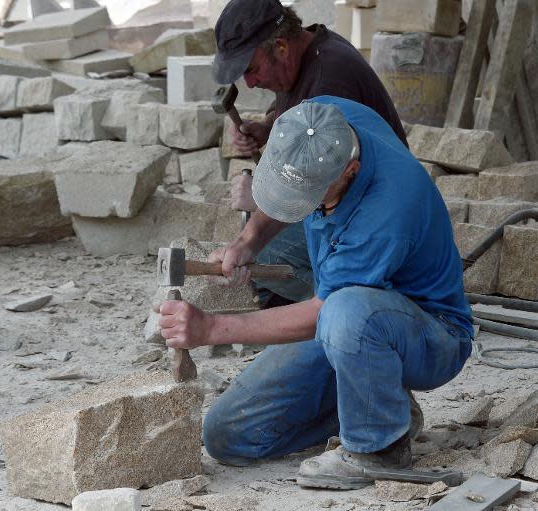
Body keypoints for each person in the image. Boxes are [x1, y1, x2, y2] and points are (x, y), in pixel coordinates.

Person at [158, 97, 473, 489]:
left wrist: (210, 329)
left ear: (350, 170)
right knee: (227, 435)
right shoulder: (318, 119)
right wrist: (248, 242)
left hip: (430, 335)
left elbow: (321, 313)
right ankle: (386, 406)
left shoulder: (387, 213)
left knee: (345, 311)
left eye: (313, 195)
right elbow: (292, 179)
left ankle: (377, 447)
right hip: (354, 321)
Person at [212, 0, 407, 307]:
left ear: (280, 46)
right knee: (258, 239)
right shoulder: (302, 54)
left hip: (373, 210)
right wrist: (267, 128)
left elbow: (322, 184)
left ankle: (348, 301)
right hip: (346, 198)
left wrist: (265, 204)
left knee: (264, 253)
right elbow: (290, 106)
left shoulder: (328, 79)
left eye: (251, 69)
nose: (249, 83)